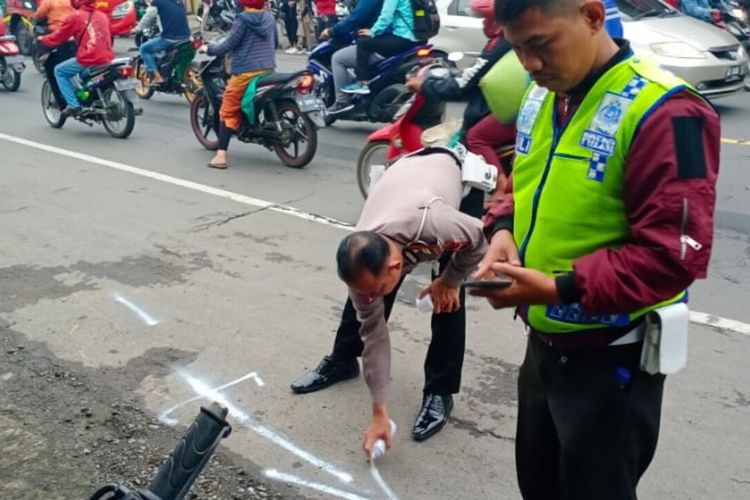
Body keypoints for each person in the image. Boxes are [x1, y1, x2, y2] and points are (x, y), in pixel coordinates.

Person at [470, 0, 720, 498]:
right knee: (538, 483)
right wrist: (502, 230)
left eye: (540, 45)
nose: (529, 65)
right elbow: (526, 184)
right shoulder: (543, 96)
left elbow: (675, 255)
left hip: (611, 363)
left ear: (590, 16)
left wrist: (557, 287)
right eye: (516, 49)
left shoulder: (668, 111)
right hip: (544, 346)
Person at [290, 149, 488, 450]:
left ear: (399, 267)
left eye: (376, 288)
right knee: (364, 301)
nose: (369, 297)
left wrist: (450, 279)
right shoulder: (364, 243)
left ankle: (440, 391)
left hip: (452, 182)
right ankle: (343, 361)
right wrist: (379, 411)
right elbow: (375, 336)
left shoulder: (436, 222)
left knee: (447, 298)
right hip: (402, 182)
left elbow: (478, 239)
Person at [406, 0, 516, 206]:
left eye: (485, 20)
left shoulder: (501, 44)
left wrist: (425, 86)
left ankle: (499, 186)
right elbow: (474, 74)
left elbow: (466, 84)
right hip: (502, 107)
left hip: (506, 111)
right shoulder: (503, 41)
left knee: (475, 137)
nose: (483, 25)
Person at [198, 0, 276, 169]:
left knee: (227, 109)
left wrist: (208, 48)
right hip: (268, 69)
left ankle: (220, 156)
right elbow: (275, 43)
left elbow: (228, 45)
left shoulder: (242, 19)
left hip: (245, 73)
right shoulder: (270, 18)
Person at [39, 0, 114, 117]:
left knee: (59, 71)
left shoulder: (76, 16)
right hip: (107, 57)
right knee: (81, 75)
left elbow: (59, 36)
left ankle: (74, 106)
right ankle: (85, 95)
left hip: (89, 57)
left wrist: (43, 39)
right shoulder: (103, 16)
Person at [319, 0, 384, 114]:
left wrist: (332, 30)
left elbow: (356, 18)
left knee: (338, 58)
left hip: (379, 41)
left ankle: (342, 101)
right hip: (398, 40)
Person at [341, 0, 418, 95]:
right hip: (419, 37)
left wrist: (373, 31)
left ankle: (361, 83)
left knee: (363, 42)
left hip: (403, 38)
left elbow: (386, 17)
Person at [133, 0, 191, 84]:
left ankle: (158, 77)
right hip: (186, 37)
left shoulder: (157, 3)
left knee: (144, 49)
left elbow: (147, 18)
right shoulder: (179, 2)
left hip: (170, 38)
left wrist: (136, 29)